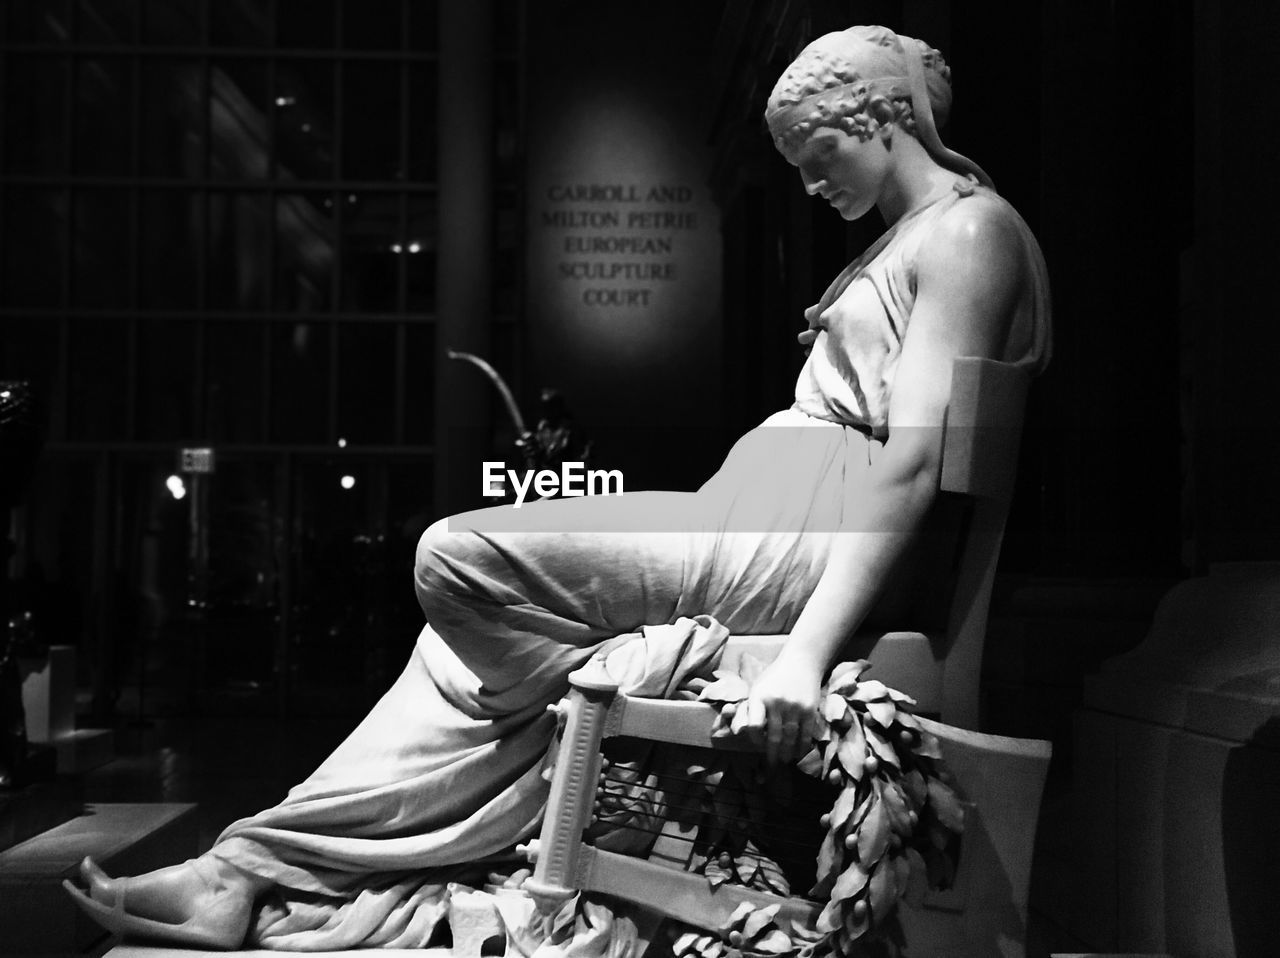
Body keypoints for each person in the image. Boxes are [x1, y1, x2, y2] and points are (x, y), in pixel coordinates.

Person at [63, 24, 1050, 950]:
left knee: (453, 560)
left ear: (876, 119)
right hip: (772, 509)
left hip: (811, 527)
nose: (806, 184)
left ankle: (611, 673)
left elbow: (912, 462)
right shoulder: (910, 238)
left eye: (815, 155)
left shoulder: (965, 235)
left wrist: (801, 658)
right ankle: (242, 869)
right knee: (450, 652)